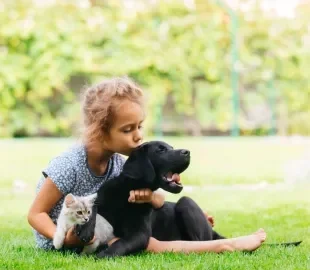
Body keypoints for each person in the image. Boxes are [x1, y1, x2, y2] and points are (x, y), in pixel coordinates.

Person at [27, 77, 266, 254]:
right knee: (147, 244)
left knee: (142, 241)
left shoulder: (119, 165)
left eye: (139, 126)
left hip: (97, 234)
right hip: (61, 238)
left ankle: (223, 244)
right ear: (99, 131)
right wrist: (62, 239)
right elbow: (35, 213)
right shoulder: (70, 165)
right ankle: (224, 245)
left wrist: (151, 198)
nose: (138, 136)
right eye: (127, 129)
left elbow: (158, 201)